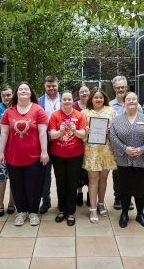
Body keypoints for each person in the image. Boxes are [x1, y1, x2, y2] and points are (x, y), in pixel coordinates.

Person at [0, 82, 49, 227]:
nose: (24, 91)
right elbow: (5, 133)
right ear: (16, 94)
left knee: (34, 185)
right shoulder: (9, 111)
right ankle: (21, 212)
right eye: (21, 89)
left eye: (26, 89)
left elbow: (42, 132)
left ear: (31, 92)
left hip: (34, 157)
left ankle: (33, 212)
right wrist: (1, 152)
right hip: (13, 157)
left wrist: (44, 152)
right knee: (17, 185)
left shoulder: (38, 110)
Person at [110, 92, 144, 229]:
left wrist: (142, 149)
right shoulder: (117, 120)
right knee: (124, 189)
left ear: (137, 102)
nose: (131, 101)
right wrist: (124, 149)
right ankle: (124, 214)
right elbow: (113, 137)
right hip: (124, 160)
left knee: (140, 189)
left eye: (134, 99)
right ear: (124, 102)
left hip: (142, 160)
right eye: (128, 99)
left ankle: (140, 214)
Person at [49, 91, 86, 226]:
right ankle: (62, 210)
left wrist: (75, 130)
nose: (67, 102)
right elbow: (52, 135)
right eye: (64, 99)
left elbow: (83, 134)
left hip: (75, 155)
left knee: (72, 183)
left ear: (72, 100)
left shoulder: (79, 115)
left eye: (69, 99)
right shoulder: (55, 115)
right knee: (60, 182)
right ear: (61, 101)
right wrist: (60, 132)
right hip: (58, 155)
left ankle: (71, 212)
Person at [82, 87, 117, 223]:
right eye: (96, 97)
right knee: (93, 179)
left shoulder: (111, 111)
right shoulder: (84, 113)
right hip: (91, 151)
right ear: (91, 99)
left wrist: (110, 132)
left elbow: (117, 129)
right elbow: (79, 132)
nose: (98, 99)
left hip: (107, 150)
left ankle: (101, 203)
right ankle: (92, 209)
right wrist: (86, 131)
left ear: (104, 99)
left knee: (103, 177)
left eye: (101, 97)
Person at [110, 76, 142, 210]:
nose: (120, 89)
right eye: (118, 87)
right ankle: (118, 197)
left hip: (133, 144)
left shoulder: (137, 105)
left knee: (132, 171)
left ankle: (129, 198)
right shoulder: (110, 105)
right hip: (116, 144)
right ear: (114, 88)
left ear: (127, 87)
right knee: (117, 172)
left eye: (123, 87)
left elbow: (142, 123)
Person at [38, 75, 61, 214]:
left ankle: (62, 201)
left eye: (53, 85)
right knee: (45, 174)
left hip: (62, 141)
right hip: (44, 142)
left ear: (58, 85)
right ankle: (45, 200)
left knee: (61, 174)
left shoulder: (65, 99)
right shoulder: (39, 101)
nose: (51, 88)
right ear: (45, 87)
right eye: (48, 86)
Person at [0, 86, 15, 217]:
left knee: (14, 178)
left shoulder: (18, 107)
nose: (6, 97)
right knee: (1, 178)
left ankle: (11, 203)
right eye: (3, 95)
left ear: (13, 95)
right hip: (1, 149)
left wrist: (6, 126)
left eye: (8, 95)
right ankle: (0, 204)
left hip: (16, 150)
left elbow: (4, 126)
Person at [73, 83, 90, 207]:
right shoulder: (74, 106)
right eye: (82, 92)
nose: (84, 94)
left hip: (90, 145)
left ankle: (90, 194)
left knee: (90, 170)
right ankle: (79, 193)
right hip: (76, 143)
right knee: (78, 170)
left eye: (86, 91)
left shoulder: (93, 105)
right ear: (78, 94)